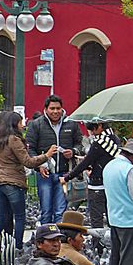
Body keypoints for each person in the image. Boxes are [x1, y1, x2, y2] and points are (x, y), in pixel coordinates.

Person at [0, 111, 58, 249]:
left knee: (3, 216)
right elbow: (27, 161)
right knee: (20, 217)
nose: (23, 125)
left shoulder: (0, 140)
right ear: (14, 124)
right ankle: (18, 246)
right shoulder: (14, 140)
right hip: (14, 183)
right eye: (21, 122)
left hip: (1, 182)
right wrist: (47, 155)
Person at [26, 94, 84, 224]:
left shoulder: (71, 124)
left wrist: (73, 151)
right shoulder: (37, 125)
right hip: (45, 174)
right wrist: (38, 166)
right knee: (46, 210)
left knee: (60, 211)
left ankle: (58, 240)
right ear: (46, 109)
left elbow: (80, 144)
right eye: (52, 108)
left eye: (58, 108)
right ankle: (45, 240)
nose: (55, 111)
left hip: (64, 174)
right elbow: (29, 149)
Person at [61, 122, 121, 229]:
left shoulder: (99, 142)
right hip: (111, 184)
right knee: (112, 219)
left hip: (97, 185)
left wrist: (67, 177)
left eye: (93, 130)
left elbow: (86, 162)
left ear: (100, 126)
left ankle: (97, 245)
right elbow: (102, 159)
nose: (92, 133)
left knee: (96, 220)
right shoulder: (114, 139)